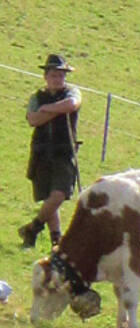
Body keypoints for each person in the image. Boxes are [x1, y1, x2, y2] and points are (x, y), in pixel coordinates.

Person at [21, 55, 81, 250]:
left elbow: (71, 105)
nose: (58, 79)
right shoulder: (36, 97)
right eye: (54, 75)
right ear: (46, 76)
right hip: (41, 152)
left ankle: (33, 228)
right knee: (49, 198)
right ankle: (57, 241)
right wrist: (56, 110)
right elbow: (33, 120)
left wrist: (47, 109)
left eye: (61, 76)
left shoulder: (71, 92)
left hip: (64, 153)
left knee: (58, 195)